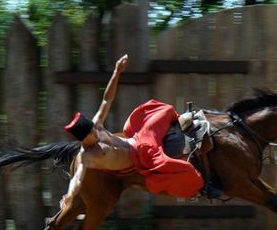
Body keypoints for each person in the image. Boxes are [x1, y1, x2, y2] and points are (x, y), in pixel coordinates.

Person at [61, 54, 218, 209]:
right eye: (91, 133)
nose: (95, 132)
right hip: (144, 159)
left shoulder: (96, 126)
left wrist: (117, 72)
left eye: (93, 129)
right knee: (184, 169)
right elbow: (77, 179)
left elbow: (106, 99)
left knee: (165, 111)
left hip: (141, 139)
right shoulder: (87, 155)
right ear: (83, 139)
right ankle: (201, 188)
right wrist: (70, 195)